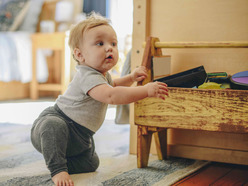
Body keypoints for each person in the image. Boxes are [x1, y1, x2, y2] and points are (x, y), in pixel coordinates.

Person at [31, 13, 168, 186]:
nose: (109, 48)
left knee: (91, 163)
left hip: (80, 136)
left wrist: (131, 77)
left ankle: (58, 158)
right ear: (80, 55)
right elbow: (111, 95)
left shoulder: (101, 76)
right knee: (53, 125)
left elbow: (114, 85)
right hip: (57, 124)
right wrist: (145, 90)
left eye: (113, 43)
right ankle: (57, 168)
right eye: (100, 43)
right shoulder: (86, 75)